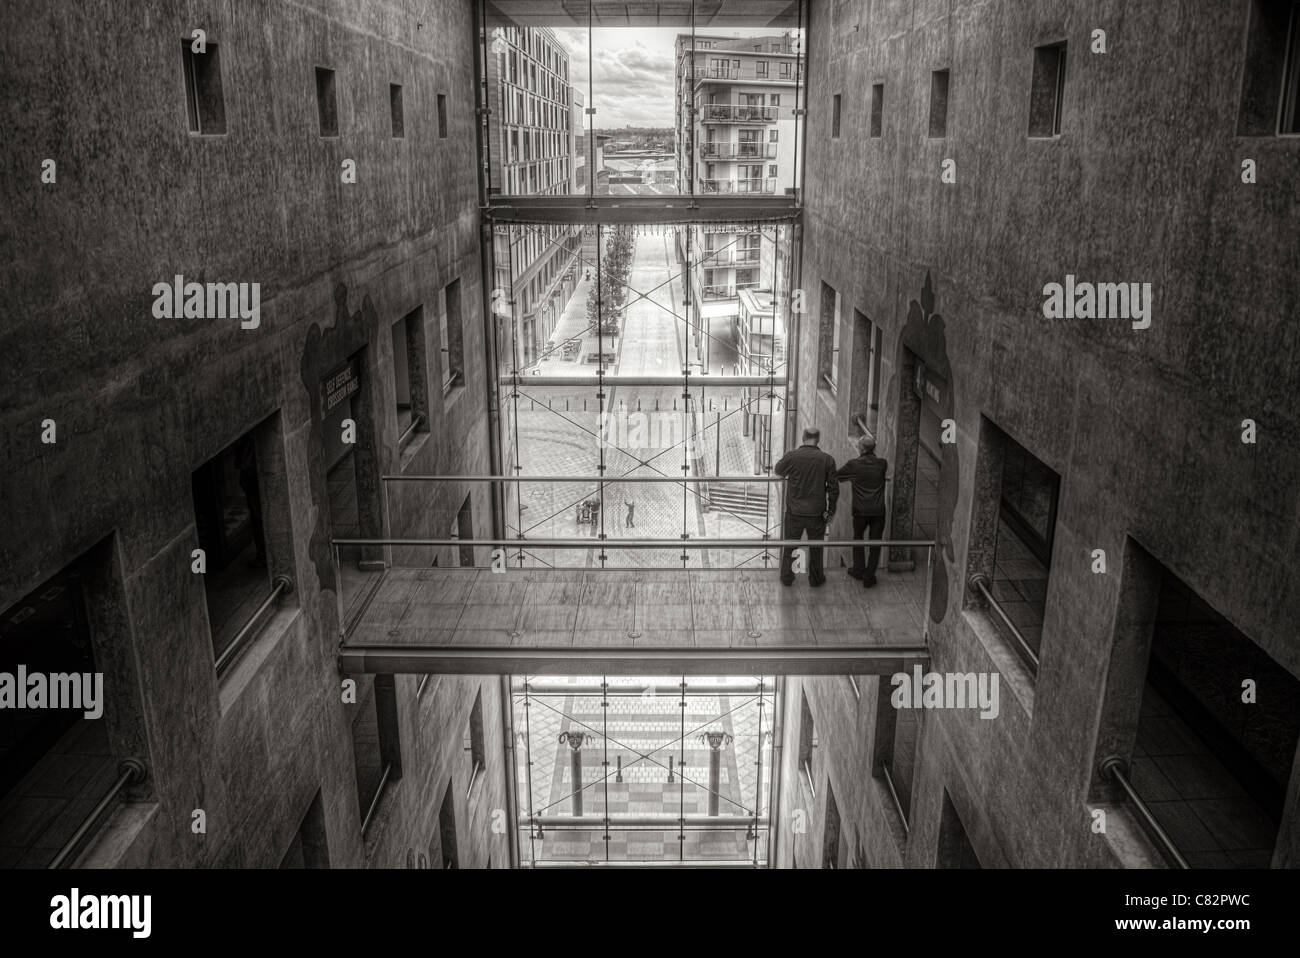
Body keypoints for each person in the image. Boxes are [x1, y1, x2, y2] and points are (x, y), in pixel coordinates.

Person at [773, 427, 839, 587]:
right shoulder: (827, 459)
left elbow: (778, 470)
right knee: (816, 548)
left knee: (790, 545)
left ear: (803, 438)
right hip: (817, 512)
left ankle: (787, 577)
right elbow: (833, 488)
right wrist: (830, 512)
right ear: (818, 439)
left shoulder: (792, 456)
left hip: (794, 511)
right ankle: (816, 579)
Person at [836, 435, 889, 587]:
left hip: (860, 510)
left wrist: (853, 478)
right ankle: (869, 575)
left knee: (858, 538)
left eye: (859, 447)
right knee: (875, 542)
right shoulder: (882, 464)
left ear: (862, 449)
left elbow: (838, 476)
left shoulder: (854, 465)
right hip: (878, 511)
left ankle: (859, 569)